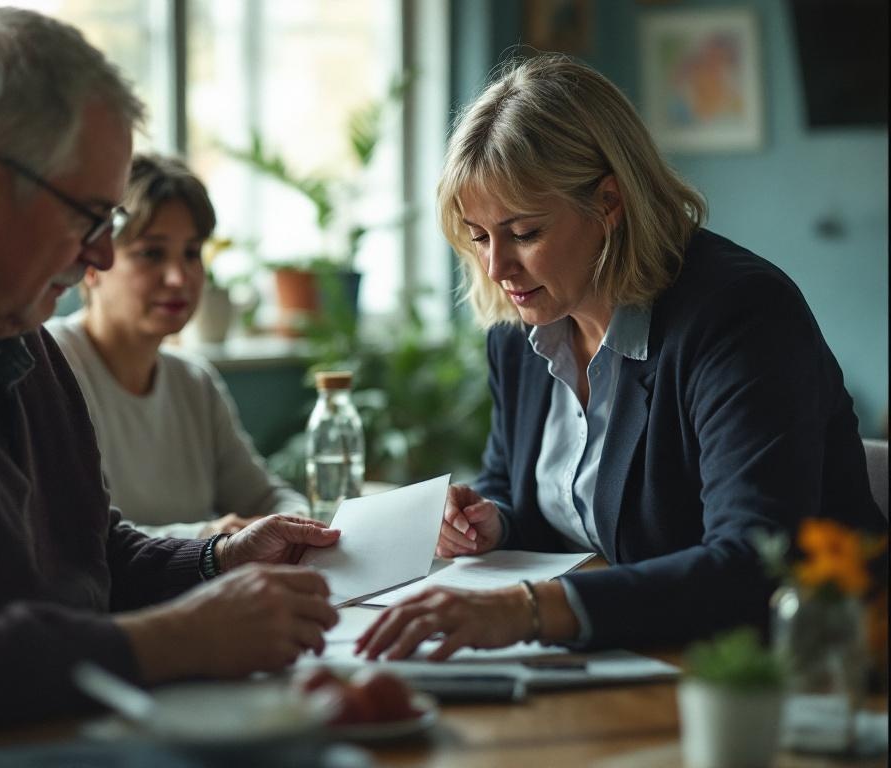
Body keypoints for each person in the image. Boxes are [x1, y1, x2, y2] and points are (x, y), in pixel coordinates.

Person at [0, 7, 339, 738]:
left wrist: (218, 558)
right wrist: (175, 640)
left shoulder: (15, 327)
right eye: (90, 217)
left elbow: (90, 553)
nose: (103, 258)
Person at [356, 54, 885, 662]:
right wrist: (491, 519)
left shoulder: (740, 316)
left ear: (609, 203)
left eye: (523, 233)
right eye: (478, 237)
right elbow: (516, 484)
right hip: (625, 657)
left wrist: (528, 610)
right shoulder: (524, 320)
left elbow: (752, 563)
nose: (496, 268)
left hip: (799, 666)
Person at [47, 154, 307, 539]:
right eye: (152, 253)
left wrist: (296, 524)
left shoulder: (194, 381)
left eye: (192, 253)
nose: (178, 277)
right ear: (91, 263)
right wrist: (208, 537)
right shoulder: (51, 363)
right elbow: (73, 538)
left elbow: (268, 497)